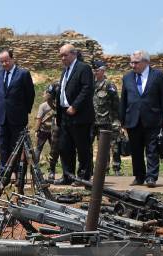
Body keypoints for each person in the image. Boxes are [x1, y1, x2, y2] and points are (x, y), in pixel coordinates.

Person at [120, 50, 163, 187]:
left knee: (152, 149)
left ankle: (151, 177)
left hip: (153, 118)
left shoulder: (158, 76)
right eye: (131, 62)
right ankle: (139, 176)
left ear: (146, 62)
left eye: (136, 62)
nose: (132, 65)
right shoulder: (127, 77)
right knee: (136, 150)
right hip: (133, 119)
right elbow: (123, 100)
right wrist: (122, 119)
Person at [55, 43, 95, 185]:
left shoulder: (83, 68)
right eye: (61, 56)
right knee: (65, 147)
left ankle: (83, 177)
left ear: (74, 54)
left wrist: (75, 106)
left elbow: (87, 89)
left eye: (65, 55)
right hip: (65, 115)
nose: (62, 58)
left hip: (80, 115)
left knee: (82, 147)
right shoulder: (65, 71)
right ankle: (68, 176)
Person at [0, 49, 35, 172]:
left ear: (12, 59)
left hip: (18, 118)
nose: (4, 64)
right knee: (3, 146)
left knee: (17, 146)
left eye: (6, 61)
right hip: (3, 118)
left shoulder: (23, 74)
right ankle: (4, 171)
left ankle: (18, 172)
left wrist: (24, 111)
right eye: (1, 62)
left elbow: (30, 95)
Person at [91, 60, 122, 175]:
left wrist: (117, 120)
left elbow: (116, 104)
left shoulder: (109, 85)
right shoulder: (90, 84)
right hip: (92, 121)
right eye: (93, 70)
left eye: (97, 70)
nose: (95, 72)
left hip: (106, 121)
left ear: (103, 70)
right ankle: (99, 169)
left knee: (111, 146)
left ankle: (116, 168)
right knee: (91, 147)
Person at [34, 83, 61, 181]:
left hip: (45, 130)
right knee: (53, 150)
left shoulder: (44, 105)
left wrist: (36, 130)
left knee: (38, 149)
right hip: (53, 131)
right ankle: (51, 171)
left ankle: (35, 169)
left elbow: (39, 119)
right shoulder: (58, 105)